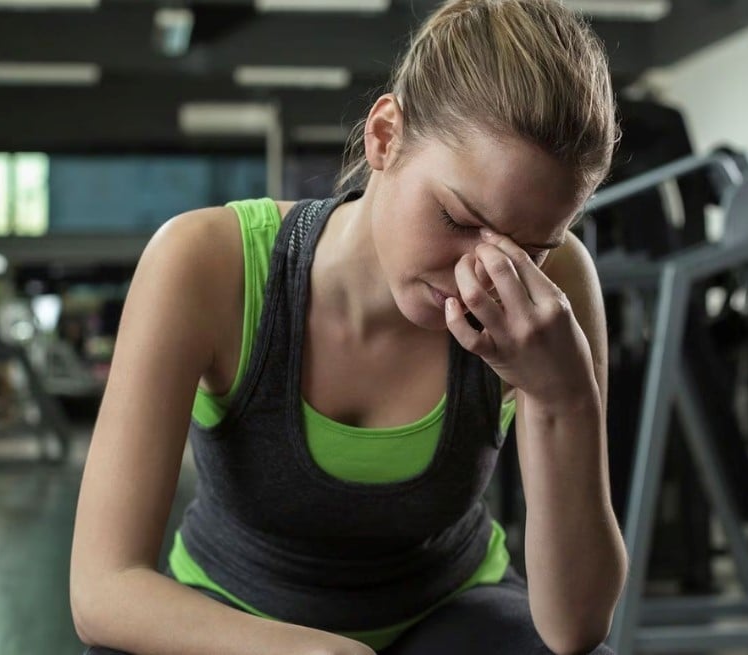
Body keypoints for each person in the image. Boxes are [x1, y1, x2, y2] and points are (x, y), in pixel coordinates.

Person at [70, 0, 624, 652]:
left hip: (450, 617)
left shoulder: (552, 291)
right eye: (456, 217)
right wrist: (310, 649)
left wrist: (564, 396)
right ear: (384, 135)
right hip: (237, 616)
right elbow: (102, 587)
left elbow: (575, 627)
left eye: (527, 249)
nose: (483, 273)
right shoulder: (205, 261)